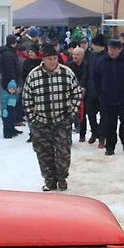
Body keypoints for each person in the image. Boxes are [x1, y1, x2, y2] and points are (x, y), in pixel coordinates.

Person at [22, 44, 82, 192]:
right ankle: (49, 180)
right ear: (43, 59)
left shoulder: (67, 73)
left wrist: (71, 114)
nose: (53, 61)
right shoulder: (33, 75)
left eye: (55, 58)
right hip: (41, 122)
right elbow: (27, 98)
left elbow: (76, 94)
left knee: (63, 153)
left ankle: (62, 178)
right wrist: (32, 118)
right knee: (44, 154)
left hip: (62, 120)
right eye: (49, 59)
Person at [95, 39, 124, 155]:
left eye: (114, 49)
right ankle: (110, 147)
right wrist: (100, 93)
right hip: (108, 99)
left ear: (120, 49)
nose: (111, 52)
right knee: (109, 125)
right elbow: (96, 78)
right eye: (110, 49)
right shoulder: (102, 61)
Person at [85, 33, 107, 147]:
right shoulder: (91, 55)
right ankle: (94, 132)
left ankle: (102, 136)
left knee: (104, 115)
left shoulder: (107, 56)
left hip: (104, 92)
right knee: (90, 114)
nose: (92, 46)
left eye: (93, 44)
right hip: (91, 90)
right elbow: (87, 71)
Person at [0, 34, 21, 139]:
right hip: (10, 86)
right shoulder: (8, 55)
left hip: (9, 85)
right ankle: (8, 130)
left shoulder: (8, 53)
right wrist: (13, 84)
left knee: (12, 107)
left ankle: (11, 127)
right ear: (13, 43)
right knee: (8, 108)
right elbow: (10, 70)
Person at [69, 47, 88, 142]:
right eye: (73, 54)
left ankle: (82, 134)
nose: (75, 56)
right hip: (71, 92)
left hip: (84, 92)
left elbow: (86, 77)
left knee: (82, 114)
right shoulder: (69, 66)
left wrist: (82, 87)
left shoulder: (86, 65)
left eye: (77, 54)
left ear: (82, 56)